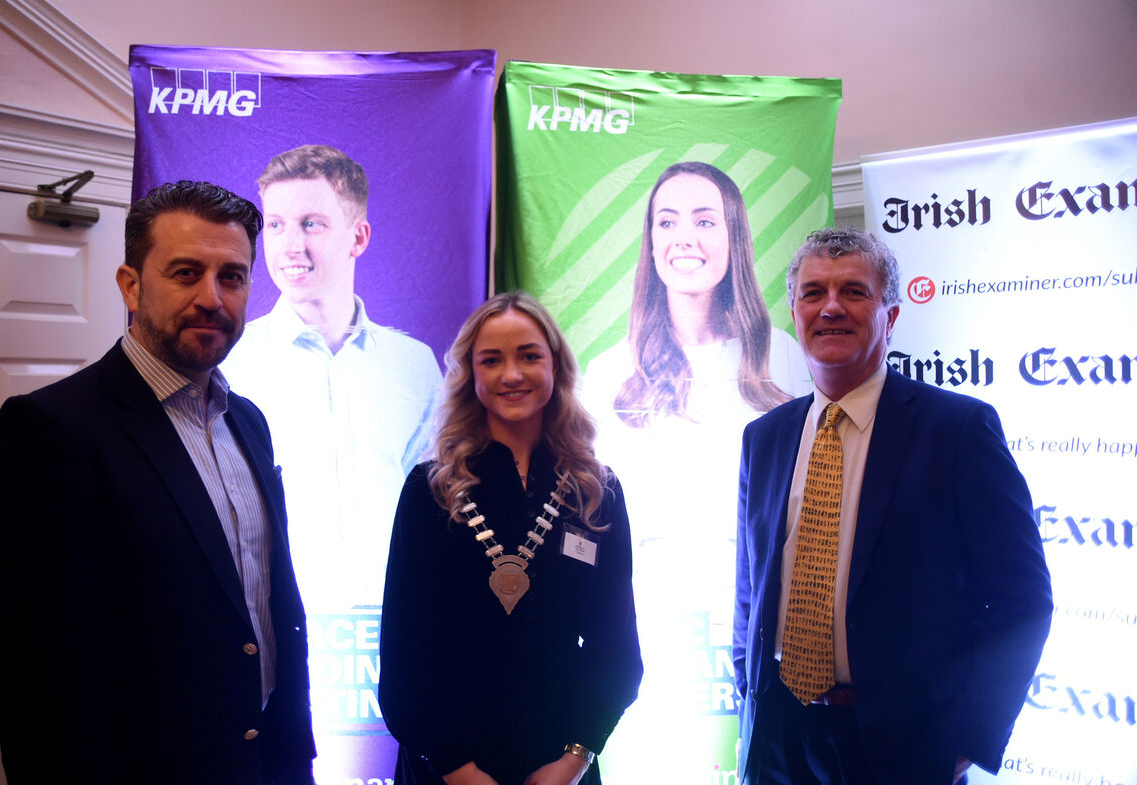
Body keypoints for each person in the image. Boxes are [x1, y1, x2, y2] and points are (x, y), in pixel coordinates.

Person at [0, 180, 316, 785]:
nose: (212, 298)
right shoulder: (52, 430)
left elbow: (264, 607)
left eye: (232, 277)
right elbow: (36, 676)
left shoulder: (248, 423)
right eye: (186, 273)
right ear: (131, 286)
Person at [732, 227, 1052, 785]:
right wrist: (748, 683)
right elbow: (750, 583)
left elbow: (1021, 600)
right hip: (778, 735)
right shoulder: (765, 436)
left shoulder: (958, 430)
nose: (831, 307)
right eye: (813, 293)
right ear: (795, 312)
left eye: (854, 291)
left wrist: (968, 738)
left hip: (902, 744)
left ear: (891, 316)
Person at [581, 161, 811, 779]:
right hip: (651, 652)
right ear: (650, 241)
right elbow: (587, 529)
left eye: (705, 221)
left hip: (764, 643)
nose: (684, 237)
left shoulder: (785, 362)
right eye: (667, 221)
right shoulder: (608, 376)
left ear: (734, 237)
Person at [379, 291, 642, 785]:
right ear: (470, 374)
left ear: (555, 366)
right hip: (444, 765)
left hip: (561, 763)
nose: (512, 374)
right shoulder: (429, 491)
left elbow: (617, 652)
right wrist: (457, 769)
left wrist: (573, 760)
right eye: (492, 360)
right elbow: (403, 656)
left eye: (529, 356)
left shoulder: (596, 493)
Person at [222, 144, 442, 611]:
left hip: (396, 619)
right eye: (275, 225)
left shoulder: (414, 365)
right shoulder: (229, 365)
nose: (290, 246)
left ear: (357, 237)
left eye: (311, 224)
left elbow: (440, 505)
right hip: (275, 622)